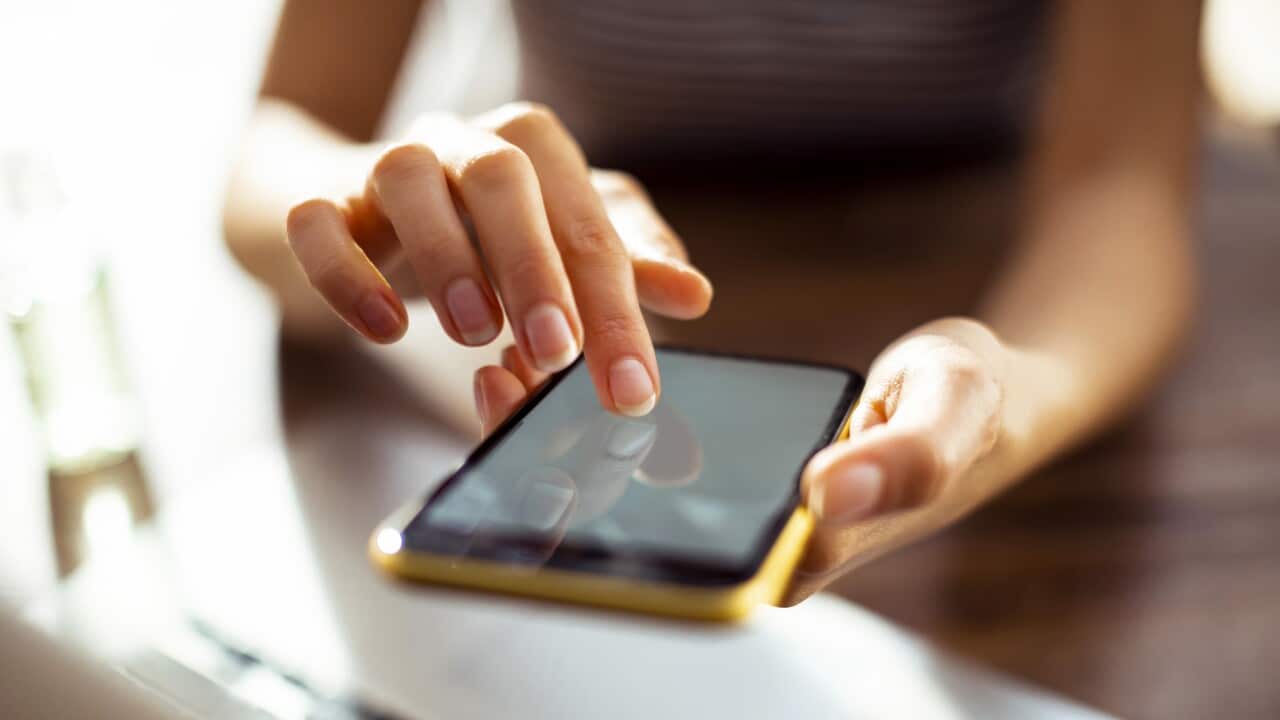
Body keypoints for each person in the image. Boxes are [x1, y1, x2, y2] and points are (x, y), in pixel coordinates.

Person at [223, 1, 1201, 602]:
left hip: (981, 232)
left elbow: (1117, 185)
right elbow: (273, 149)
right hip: (570, 238)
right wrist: (376, 204)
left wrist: (1003, 393)